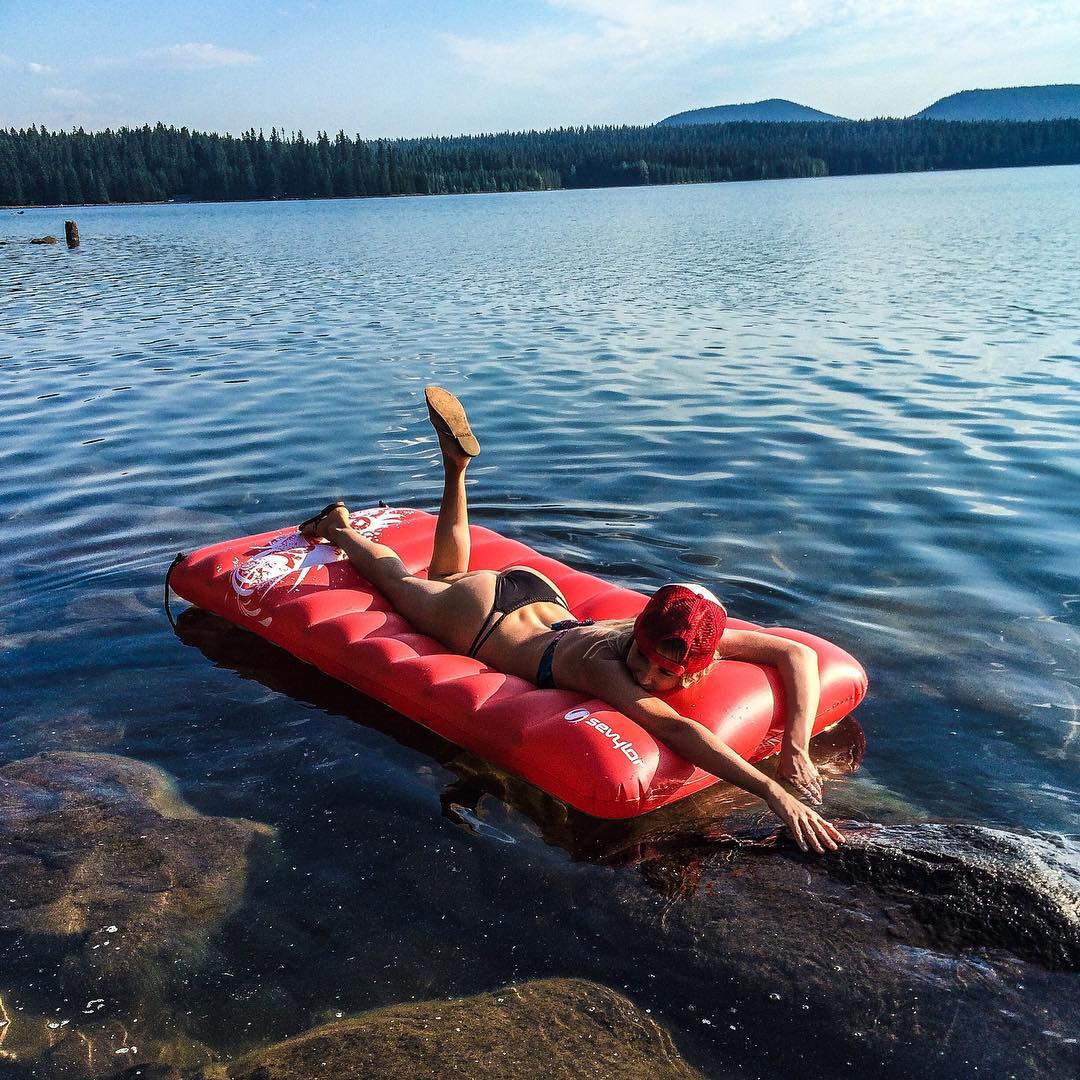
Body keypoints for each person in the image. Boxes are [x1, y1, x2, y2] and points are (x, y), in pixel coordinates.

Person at [300, 386, 845, 854]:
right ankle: (339, 529)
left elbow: (793, 653)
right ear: (634, 637)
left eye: (664, 675)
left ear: (700, 665)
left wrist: (796, 746)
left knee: (444, 575)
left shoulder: (682, 635)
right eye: (643, 661)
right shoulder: (613, 667)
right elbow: (678, 729)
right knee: (401, 585)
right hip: (485, 621)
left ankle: (455, 469)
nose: (648, 679)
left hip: (533, 601)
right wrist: (771, 792)